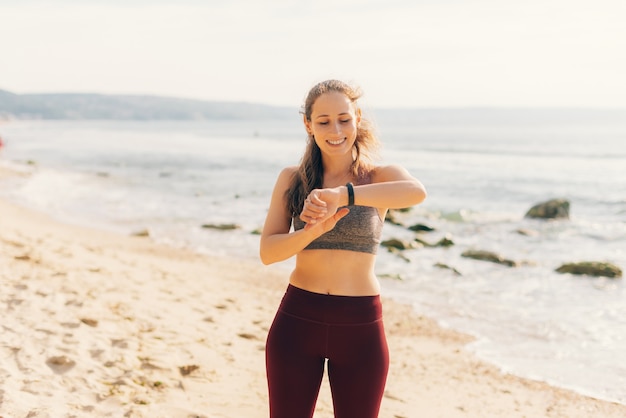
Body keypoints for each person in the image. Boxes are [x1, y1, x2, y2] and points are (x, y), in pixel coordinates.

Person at [259, 79, 427, 418]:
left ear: (357, 118)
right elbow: (269, 252)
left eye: (344, 118)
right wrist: (312, 231)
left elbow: (416, 192)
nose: (335, 129)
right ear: (308, 124)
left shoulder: (380, 177)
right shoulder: (292, 179)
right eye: (323, 121)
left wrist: (344, 195)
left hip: (360, 326)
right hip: (297, 321)